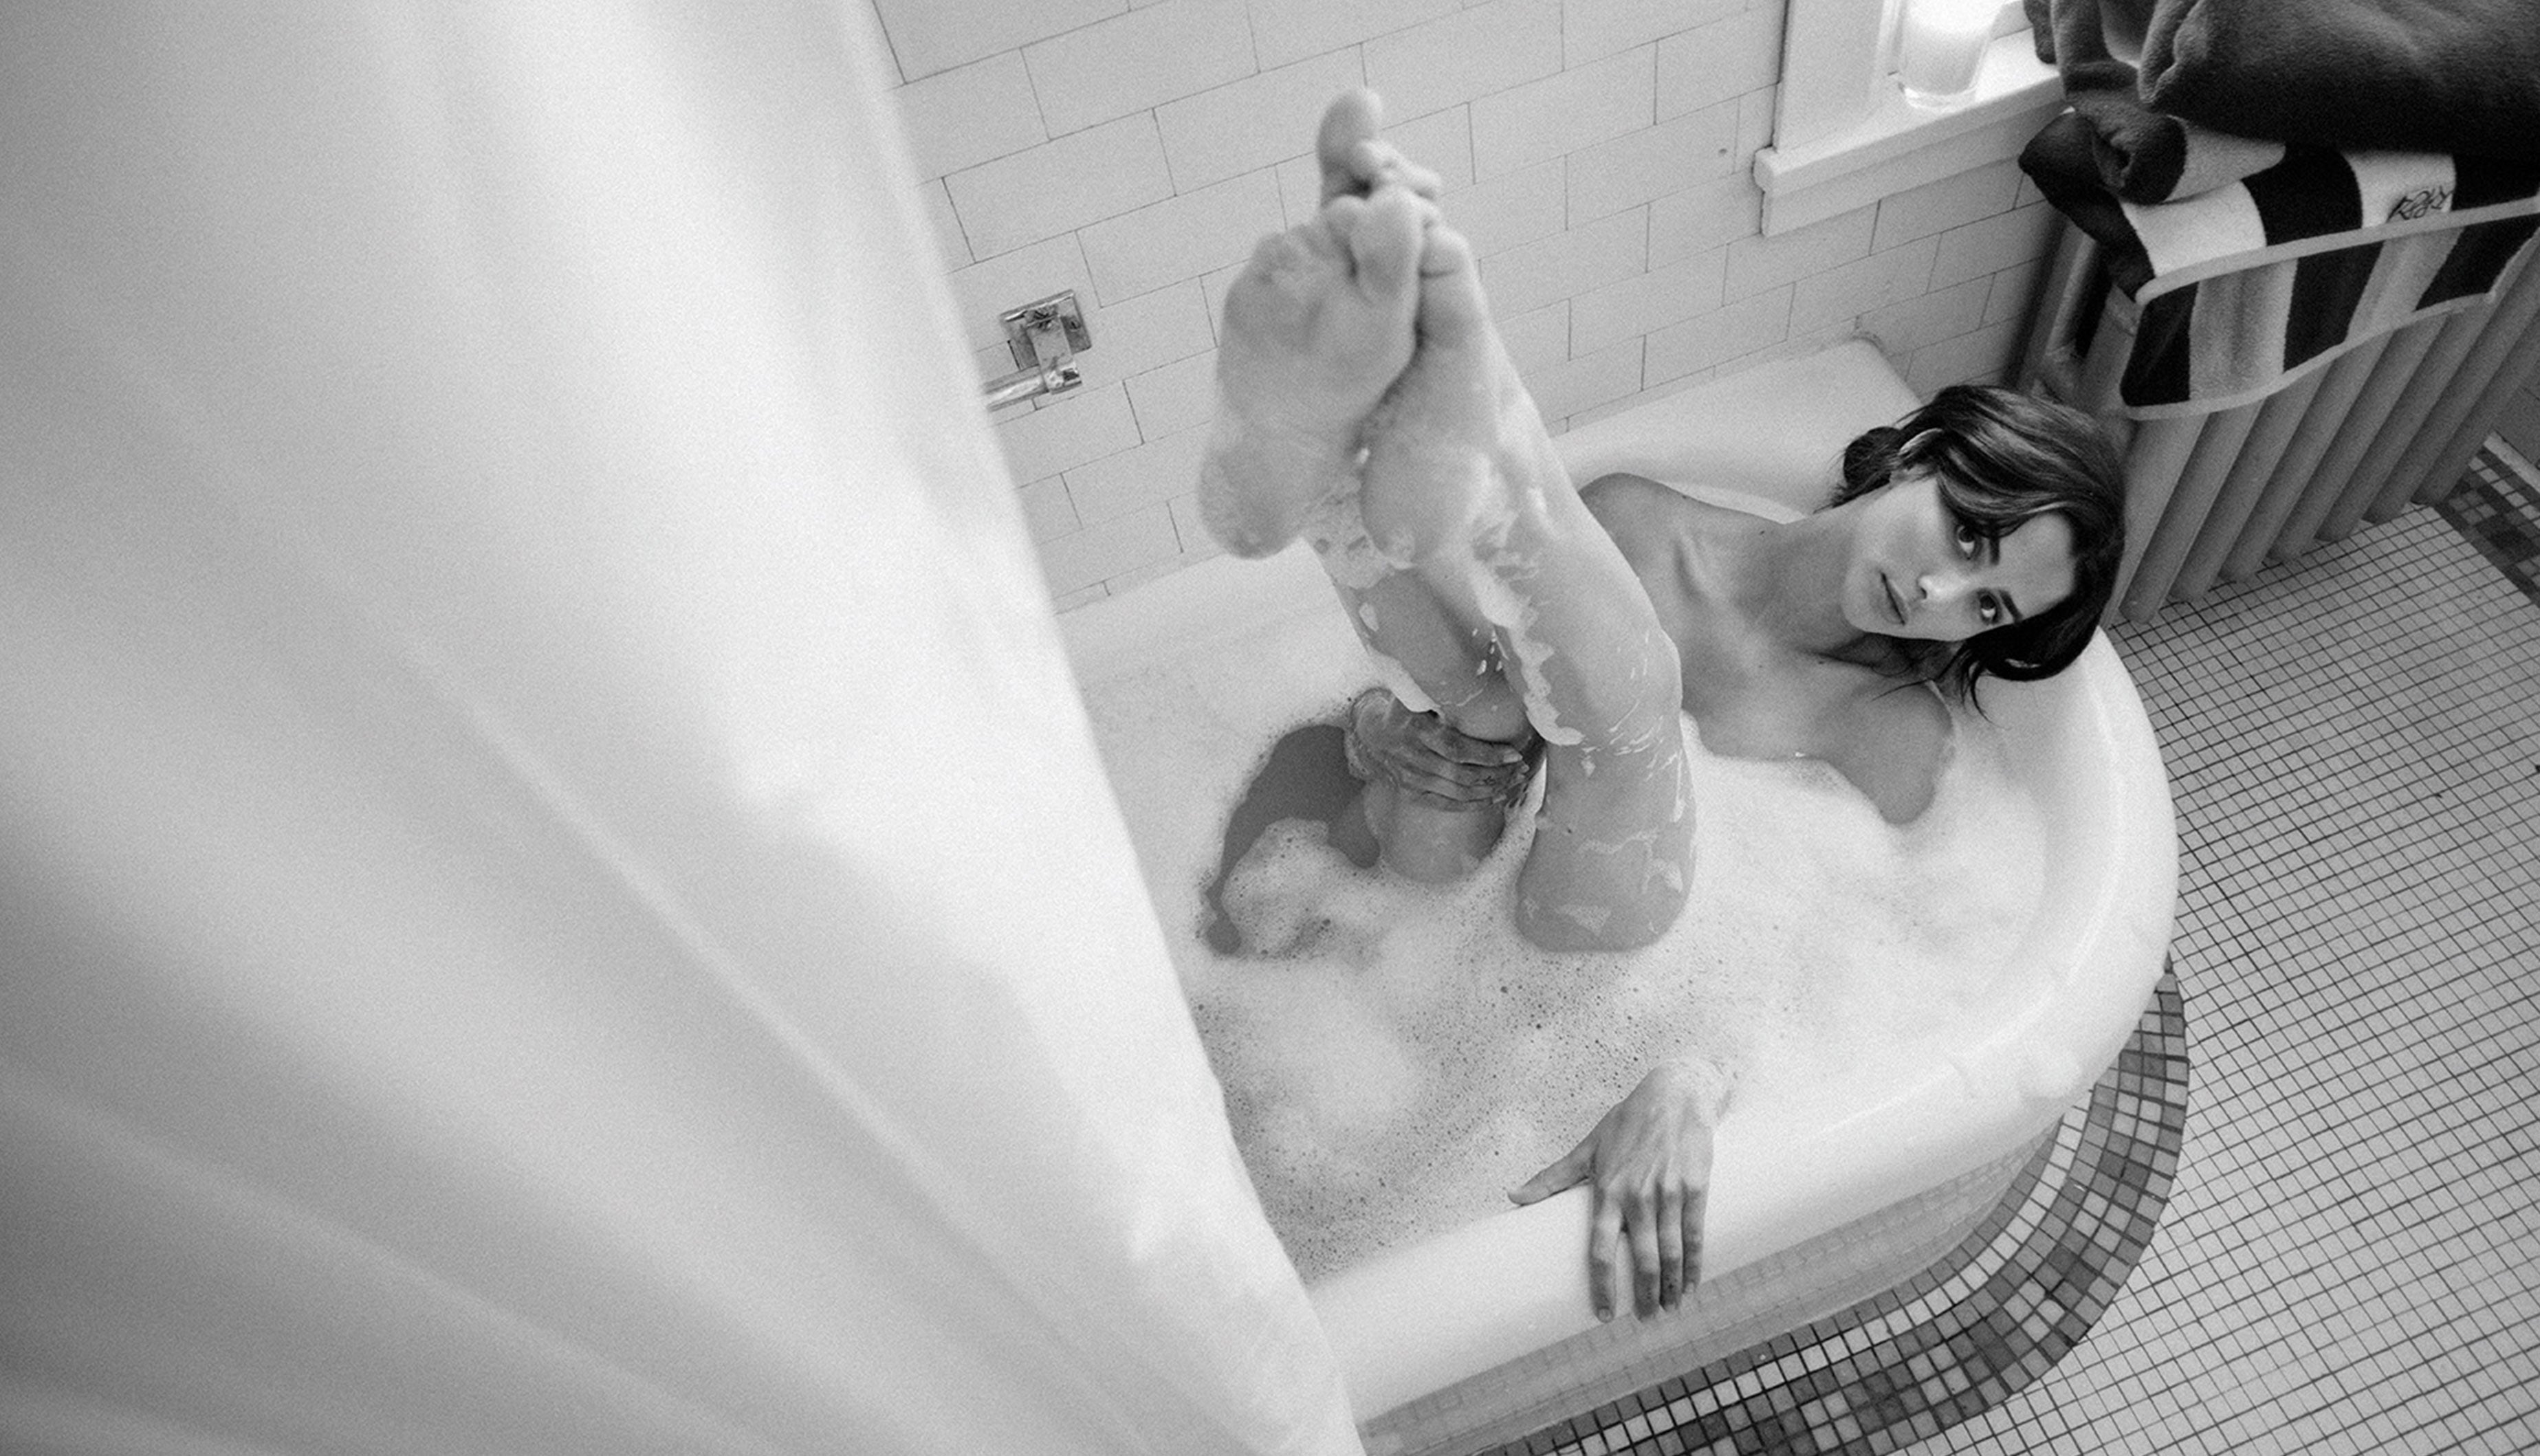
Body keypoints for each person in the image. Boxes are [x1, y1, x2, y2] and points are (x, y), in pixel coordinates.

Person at [1197, 89, 2126, 1325]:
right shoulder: (1636, 520)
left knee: (1627, 730)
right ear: (1917, 456)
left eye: (1989, 610)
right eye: (1967, 533)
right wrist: (1387, 741)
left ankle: (1458, 413)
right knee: (1477, 703)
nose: (1942, 592)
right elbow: (1453, 705)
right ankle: (1323, 487)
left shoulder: (1890, 733)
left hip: (1588, 966)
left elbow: (1827, 955)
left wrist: (1689, 1071)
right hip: (1427, 899)